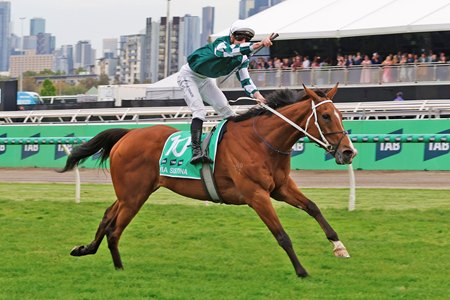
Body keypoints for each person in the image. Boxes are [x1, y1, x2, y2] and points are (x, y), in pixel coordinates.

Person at [177, 20, 273, 164]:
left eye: (246, 39)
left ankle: (235, 146)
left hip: (205, 79)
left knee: (227, 110)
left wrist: (259, 97)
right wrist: (258, 44)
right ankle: (195, 151)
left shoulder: (242, 59)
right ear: (231, 36)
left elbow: (246, 81)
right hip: (188, 76)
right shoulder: (221, 44)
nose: (242, 41)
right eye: (239, 38)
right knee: (199, 111)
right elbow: (229, 51)